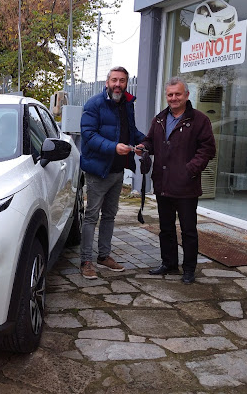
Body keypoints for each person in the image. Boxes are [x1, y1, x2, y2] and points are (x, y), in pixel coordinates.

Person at [138, 77, 216, 284]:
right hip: (163, 184)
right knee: (166, 228)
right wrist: (144, 147)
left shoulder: (199, 120)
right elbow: (150, 141)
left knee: (188, 230)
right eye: (170, 94)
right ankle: (169, 263)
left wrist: (189, 170)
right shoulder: (159, 119)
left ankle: (189, 269)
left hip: (186, 186)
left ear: (187, 95)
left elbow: (207, 149)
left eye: (177, 94)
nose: (173, 98)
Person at [79, 66, 146, 279]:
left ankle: (104, 256)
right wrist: (113, 147)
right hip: (98, 170)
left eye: (122, 80)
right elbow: (88, 135)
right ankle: (86, 261)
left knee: (110, 215)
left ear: (126, 83)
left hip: (118, 170)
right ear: (107, 82)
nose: (118, 84)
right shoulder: (94, 104)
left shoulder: (127, 104)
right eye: (114, 80)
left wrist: (144, 142)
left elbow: (130, 131)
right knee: (92, 216)